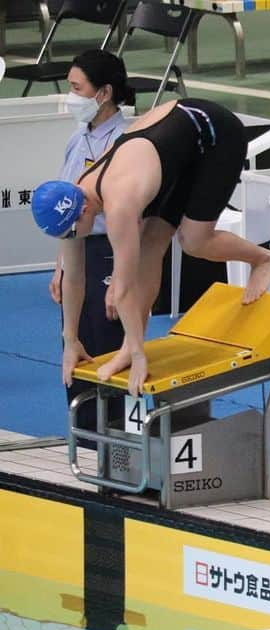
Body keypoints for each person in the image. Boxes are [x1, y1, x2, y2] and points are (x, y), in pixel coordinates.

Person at [31, 98, 270, 398]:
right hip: (172, 147)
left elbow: (122, 289)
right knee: (151, 246)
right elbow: (73, 277)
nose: (71, 238)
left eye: (70, 232)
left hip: (215, 133)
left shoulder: (119, 206)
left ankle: (263, 259)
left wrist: (139, 357)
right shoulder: (77, 191)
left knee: (194, 240)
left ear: (83, 211)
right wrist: (70, 340)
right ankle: (127, 348)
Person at [46, 50, 133, 444]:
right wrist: (60, 267)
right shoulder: (76, 139)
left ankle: (117, 446)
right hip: (77, 252)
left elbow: (135, 221)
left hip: (111, 252)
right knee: (74, 345)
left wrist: (122, 280)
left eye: (77, 88)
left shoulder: (126, 143)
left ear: (104, 93)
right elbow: (65, 207)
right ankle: (82, 442)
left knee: (107, 349)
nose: (71, 96)